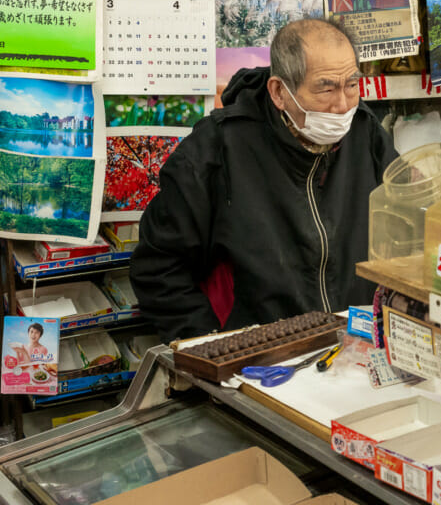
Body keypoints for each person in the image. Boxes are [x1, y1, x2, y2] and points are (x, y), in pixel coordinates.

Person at [130, 18, 397, 341]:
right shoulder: (217, 149)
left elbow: (401, 225)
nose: (342, 105)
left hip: (354, 350)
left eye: (351, 85)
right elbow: (158, 268)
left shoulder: (365, 132)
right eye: (326, 88)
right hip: (258, 361)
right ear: (279, 92)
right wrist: (216, 346)